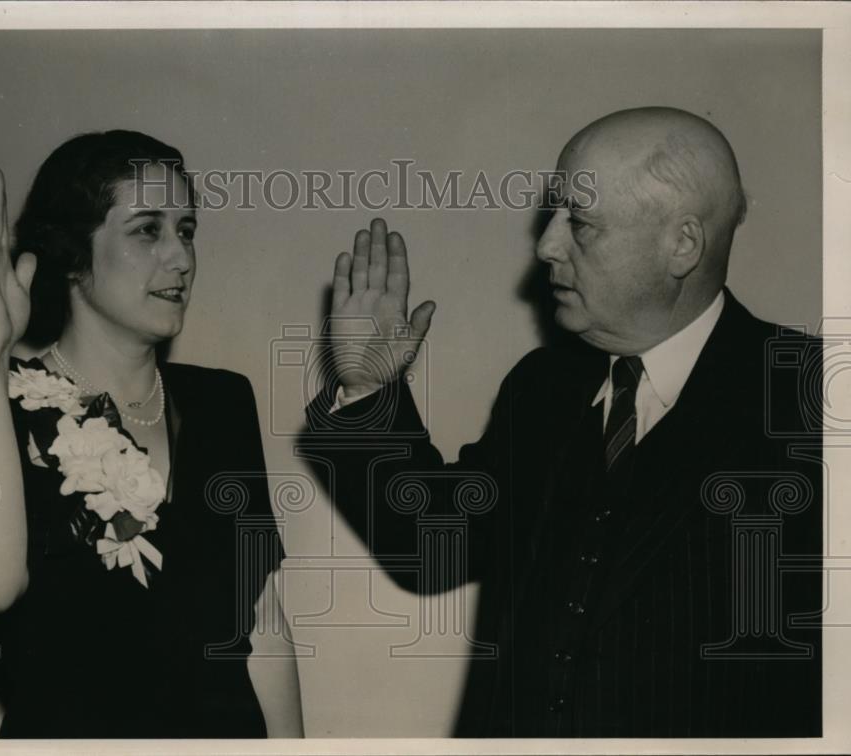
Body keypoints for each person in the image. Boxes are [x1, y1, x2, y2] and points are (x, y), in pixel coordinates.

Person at [302, 107, 821, 737]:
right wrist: (367, 387)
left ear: (681, 244)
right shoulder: (541, 389)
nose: (546, 246)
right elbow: (432, 547)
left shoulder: (810, 400)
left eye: (580, 223)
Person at [0, 131, 303, 738]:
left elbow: (265, 625)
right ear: (71, 254)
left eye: (187, 230)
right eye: (148, 229)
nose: (182, 257)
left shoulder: (222, 404)